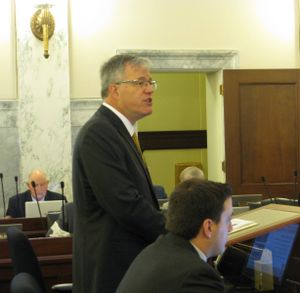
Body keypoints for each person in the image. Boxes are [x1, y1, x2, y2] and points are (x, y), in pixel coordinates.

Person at [72, 54, 166, 293]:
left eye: (151, 83)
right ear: (114, 90)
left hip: (128, 266)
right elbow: (126, 204)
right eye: (140, 83)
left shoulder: (120, 131)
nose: (149, 90)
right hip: (112, 270)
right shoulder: (99, 133)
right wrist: (178, 229)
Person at [117, 179, 233, 293]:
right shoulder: (195, 275)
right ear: (208, 227)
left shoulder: (156, 249)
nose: (230, 228)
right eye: (228, 220)